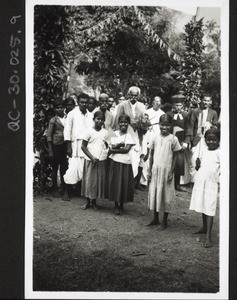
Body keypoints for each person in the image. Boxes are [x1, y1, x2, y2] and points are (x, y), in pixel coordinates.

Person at [147, 114, 182, 230]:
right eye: (162, 125)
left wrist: (172, 172)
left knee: (166, 195)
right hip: (156, 170)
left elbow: (176, 156)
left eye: (167, 125)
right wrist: (149, 170)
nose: (164, 128)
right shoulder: (155, 138)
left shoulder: (173, 139)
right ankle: (155, 218)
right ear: (159, 125)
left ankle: (164, 221)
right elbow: (151, 155)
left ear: (171, 126)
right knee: (155, 193)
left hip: (166, 171)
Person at [189, 127, 220, 248]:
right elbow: (200, 166)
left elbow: (221, 170)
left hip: (212, 184)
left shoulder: (220, 152)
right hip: (201, 181)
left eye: (214, 140)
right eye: (208, 140)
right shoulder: (204, 151)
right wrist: (197, 164)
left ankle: (208, 235)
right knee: (203, 205)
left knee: (210, 208)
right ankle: (204, 226)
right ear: (205, 140)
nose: (211, 142)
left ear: (219, 140)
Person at [63, 93, 93, 201]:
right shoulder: (72, 114)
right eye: (82, 102)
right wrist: (68, 146)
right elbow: (67, 130)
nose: (84, 104)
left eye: (86, 102)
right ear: (78, 102)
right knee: (72, 168)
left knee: (83, 169)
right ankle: (66, 191)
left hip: (86, 146)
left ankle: (79, 190)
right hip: (75, 145)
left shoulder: (90, 115)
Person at [115, 86, 146, 178]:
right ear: (128, 95)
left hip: (137, 135)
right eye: (131, 95)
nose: (133, 98)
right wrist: (118, 137)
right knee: (126, 156)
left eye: (135, 96)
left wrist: (143, 126)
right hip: (125, 134)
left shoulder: (141, 106)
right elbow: (117, 121)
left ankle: (133, 181)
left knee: (136, 157)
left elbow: (144, 120)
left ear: (138, 96)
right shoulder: (122, 105)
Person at [186, 95, 218, 183]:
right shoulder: (195, 111)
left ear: (211, 102)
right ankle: (193, 181)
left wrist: (211, 125)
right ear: (201, 101)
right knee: (193, 159)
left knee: (205, 159)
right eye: (204, 100)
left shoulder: (213, 113)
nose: (206, 102)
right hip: (196, 139)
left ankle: (202, 180)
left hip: (207, 139)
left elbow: (215, 126)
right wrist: (188, 140)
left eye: (208, 101)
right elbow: (190, 127)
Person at [108, 114, 135, 215]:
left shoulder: (129, 136)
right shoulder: (113, 134)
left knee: (124, 184)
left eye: (125, 122)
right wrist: (118, 147)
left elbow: (126, 150)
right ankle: (116, 205)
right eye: (121, 122)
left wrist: (115, 149)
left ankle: (122, 204)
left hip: (125, 163)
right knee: (115, 183)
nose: (123, 124)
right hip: (115, 162)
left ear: (128, 124)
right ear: (118, 123)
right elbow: (108, 150)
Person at [81, 111, 109, 210]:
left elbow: (108, 145)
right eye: (98, 119)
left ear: (104, 121)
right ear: (94, 119)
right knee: (89, 181)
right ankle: (87, 201)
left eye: (102, 119)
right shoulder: (89, 131)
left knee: (97, 182)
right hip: (90, 160)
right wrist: (92, 157)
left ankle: (94, 202)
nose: (99, 121)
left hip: (100, 161)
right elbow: (83, 147)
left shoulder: (105, 132)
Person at [168, 94, 190, 190]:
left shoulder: (185, 115)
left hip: (181, 141)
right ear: (173, 105)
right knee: (168, 161)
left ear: (183, 105)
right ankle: (168, 182)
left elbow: (188, 129)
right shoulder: (169, 115)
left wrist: (186, 141)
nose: (178, 107)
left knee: (179, 162)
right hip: (170, 141)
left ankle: (177, 184)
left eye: (180, 105)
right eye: (176, 105)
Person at [46, 98, 68, 197]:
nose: (60, 109)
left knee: (64, 168)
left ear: (64, 108)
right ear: (55, 109)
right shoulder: (53, 120)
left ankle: (63, 187)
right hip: (56, 146)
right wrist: (50, 150)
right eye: (57, 108)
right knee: (55, 168)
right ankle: (54, 188)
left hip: (64, 145)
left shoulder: (67, 118)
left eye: (61, 107)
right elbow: (49, 135)